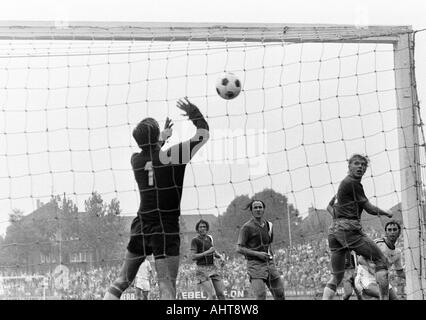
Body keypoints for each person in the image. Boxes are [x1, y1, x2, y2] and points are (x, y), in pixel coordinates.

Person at [103, 97, 210, 300]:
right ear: (155, 137)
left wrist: (162, 137)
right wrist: (194, 113)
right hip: (166, 228)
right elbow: (203, 135)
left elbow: (151, 153)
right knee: (166, 284)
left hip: (141, 225)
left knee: (121, 281)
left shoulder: (136, 160)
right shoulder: (174, 155)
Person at [322, 154, 393, 300]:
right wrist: (387, 212)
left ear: (366, 169)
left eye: (363, 164)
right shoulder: (353, 183)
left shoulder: (345, 186)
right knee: (381, 260)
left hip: (334, 231)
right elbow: (370, 209)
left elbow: (333, 210)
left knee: (336, 276)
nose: (360, 166)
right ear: (349, 166)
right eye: (356, 163)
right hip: (348, 229)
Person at [236, 200, 285, 300]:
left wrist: (271, 259)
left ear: (263, 209)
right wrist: (257, 254)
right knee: (261, 295)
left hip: (269, 264)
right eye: (255, 207)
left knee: (280, 294)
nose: (258, 209)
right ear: (251, 211)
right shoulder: (246, 227)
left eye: (260, 207)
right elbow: (239, 248)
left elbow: (269, 244)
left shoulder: (269, 225)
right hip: (255, 265)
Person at [354, 220, 405, 300]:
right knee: (383, 296)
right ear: (386, 232)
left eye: (394, 230)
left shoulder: (397, 252)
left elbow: (400, 272)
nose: (392, 232)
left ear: (399, 233)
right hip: (366, 277)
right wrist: (371, 267)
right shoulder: (377, 244)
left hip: (382, 280)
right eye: (389, 230)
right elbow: (360, 259)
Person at [326, 196, 362, 300]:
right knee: (348, 293)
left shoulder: (353, 220)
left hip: (355, 268)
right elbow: (328, 207)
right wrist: (335, 197)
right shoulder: (338, 218)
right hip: (346, 269)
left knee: (360, 294)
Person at [190, 219, 226, 300]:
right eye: (201, 227)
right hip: (201, 269)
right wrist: (207, 252)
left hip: (212, 268)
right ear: (197, 229)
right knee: (212, 296)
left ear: (207, 228)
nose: (203, 228)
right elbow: (193, 257)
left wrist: (220, 257)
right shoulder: (195, 240)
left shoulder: (209, 238)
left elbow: (213, 251)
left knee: (221, 294)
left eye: (204, 227)